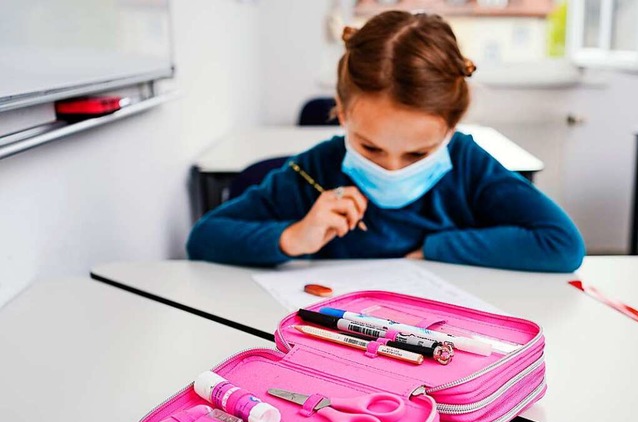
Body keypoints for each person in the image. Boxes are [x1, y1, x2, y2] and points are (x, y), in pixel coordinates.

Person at [187, 11, 585, 272]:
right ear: (342, 113)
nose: (391, 169)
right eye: (371, 147)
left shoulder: (469, 166)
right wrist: (293, 237)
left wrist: (435, 248)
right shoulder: (313, 171)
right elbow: (204, 238)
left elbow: (562, 244)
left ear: (450, 126)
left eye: (418, 153)